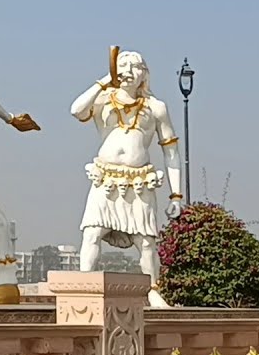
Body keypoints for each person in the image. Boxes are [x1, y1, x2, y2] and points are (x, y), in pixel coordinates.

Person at [72, 49, 182, 308]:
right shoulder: (103, 100)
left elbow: (172, 151)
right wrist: (103, 82)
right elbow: (76, 110)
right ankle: (85, 287)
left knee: (145, 242)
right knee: (92, 232)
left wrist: (176, 195)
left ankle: (152, 289)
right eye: (121, 67)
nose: (127, 73)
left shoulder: (156, 108)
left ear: (144, 74)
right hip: (106, 178)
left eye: (134, 67)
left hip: (139, 180)